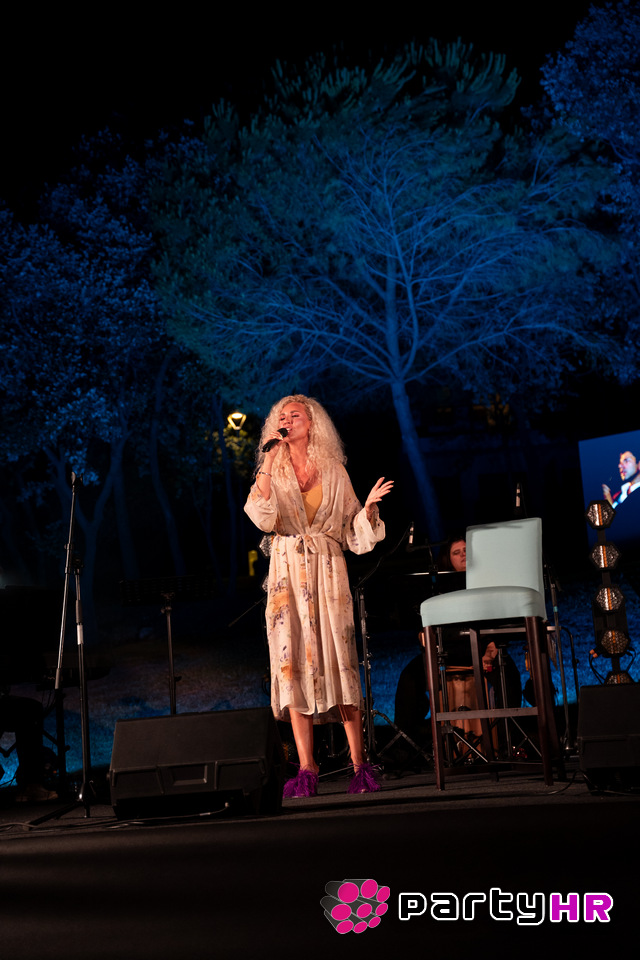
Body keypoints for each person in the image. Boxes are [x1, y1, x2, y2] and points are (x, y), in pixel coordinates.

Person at [244, 395, 393, 797]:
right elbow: (261, 516)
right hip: (287, 574)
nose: (287, 420)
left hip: (328, 571)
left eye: (295, 415)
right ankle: (307, 768)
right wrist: (268, 460)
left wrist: (368, 510)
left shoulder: (333, 470)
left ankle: (360, 765)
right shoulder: (273, 468)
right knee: (291, 663)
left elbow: (350, 529)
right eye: (282, 416)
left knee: (338, 660)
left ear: (312, 422)